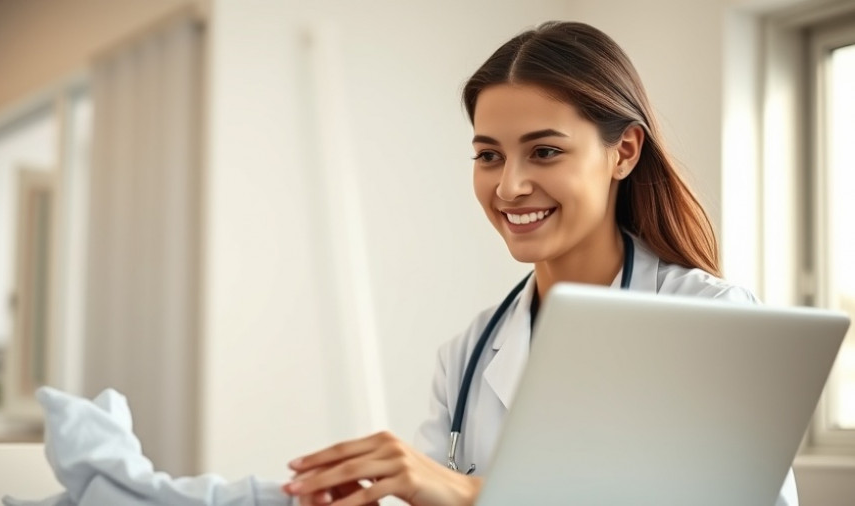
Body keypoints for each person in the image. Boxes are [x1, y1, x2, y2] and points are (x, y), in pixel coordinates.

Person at [281, 21, 798, 506]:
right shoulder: (468, 355)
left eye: (545, 151)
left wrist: (477, 494)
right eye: (488, 156)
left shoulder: (713, 321)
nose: (508, 186)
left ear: (624, 152)